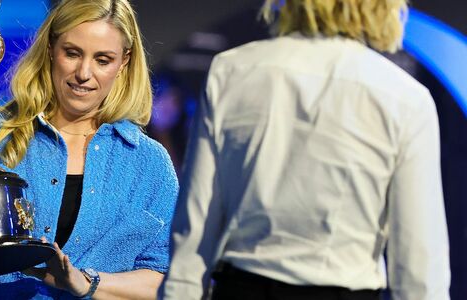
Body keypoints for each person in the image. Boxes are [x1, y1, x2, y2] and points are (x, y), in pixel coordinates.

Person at [159, 0, 451, 299]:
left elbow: (195, 230)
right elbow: (418, 265)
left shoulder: (232, 72)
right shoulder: (404, 98)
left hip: (241, 289)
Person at [0, 0, 178, 298]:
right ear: (50, 49)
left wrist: (86, 283)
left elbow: (166, 279)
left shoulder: (149, 163)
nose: (84, 73)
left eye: (102, 60)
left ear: (123, 62)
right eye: (72, 53)